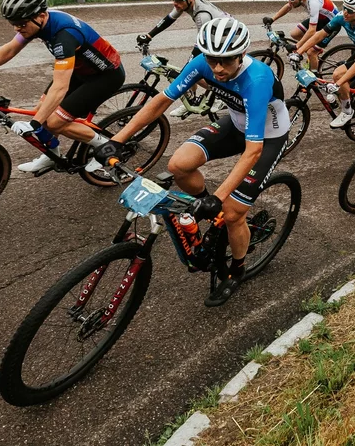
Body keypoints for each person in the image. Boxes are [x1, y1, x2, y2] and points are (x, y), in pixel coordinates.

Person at [99, 17, 290, 306]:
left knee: (233, 212)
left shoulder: (258, 79)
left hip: (268, 137)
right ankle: (210, 212)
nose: (218, 68)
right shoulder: (202, 63)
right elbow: (161, 101)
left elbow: (253, 151)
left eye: (226, 61)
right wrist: (117, 140)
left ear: (241, 55)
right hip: (236, 124)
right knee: (179, 165)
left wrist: (219, 197)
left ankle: (237, 270)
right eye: (212, 60)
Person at [0, 0, 124, 174]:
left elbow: (60, 87)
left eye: (21, 24)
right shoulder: (37, 21)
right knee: (41, 110)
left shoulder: (65, 36)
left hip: (105, 76)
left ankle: (106, 147)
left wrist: (34, 124)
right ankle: (51, 156)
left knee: (53, 122)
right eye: (13, 24)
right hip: (80, 70)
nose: (17, 29)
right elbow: (10, 49)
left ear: (42, 16)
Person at [293, 0, 355, 128]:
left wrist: (337, 84)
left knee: (338, 75)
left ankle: (347, 111)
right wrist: (299, 52)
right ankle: (346, 94)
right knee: (342, 80)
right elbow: (320, 35)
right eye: (344, 8)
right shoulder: (341, 16)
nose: (345, 13)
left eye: (349, 11)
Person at [138, 0, 229, 118]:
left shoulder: (202, 15)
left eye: (179, 0)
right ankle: (190, 100)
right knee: (190, 70)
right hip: (211, 34)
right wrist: (149, 35)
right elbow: (169, 19)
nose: (175, 3)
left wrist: (190, 65)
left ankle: (221, 95)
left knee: (193, 70)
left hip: (225, 38)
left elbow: (202, 44)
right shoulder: (186, 2)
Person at [264, 0, 335, 71]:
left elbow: (311, 31)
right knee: (295, 33)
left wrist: (297, 46)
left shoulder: (313, 3)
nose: (289, 1)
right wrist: (272, 19)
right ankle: (313, 48)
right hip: (320, 18)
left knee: (311, 52)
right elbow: (288, 6)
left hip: (332, 24)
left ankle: (314, 76)